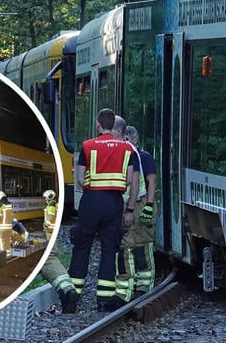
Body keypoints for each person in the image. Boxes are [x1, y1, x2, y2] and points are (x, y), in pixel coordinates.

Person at [69, 108, 138, 312]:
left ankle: (74, 296)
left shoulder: (87, 146)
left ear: (98, 125)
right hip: (113, 203)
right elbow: (129, 179)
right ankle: (104, 301)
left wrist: (93, 185)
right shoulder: (127, 149)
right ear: (113, 125)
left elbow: (80, 179)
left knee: (82, 247)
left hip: (91, 202)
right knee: (109, 250)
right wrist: (129, 207)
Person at [115, 125, 158, 302]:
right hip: (129, 205)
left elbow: (152, 180)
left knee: (142, 246)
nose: (124, 141)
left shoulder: (144, 157)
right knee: (126, 246)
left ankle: (144, 288)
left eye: (127, 137)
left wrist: (148, 204)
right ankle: (128, 289)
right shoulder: (125, 155)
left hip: (141, 204)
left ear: (135, 139)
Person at [39, 189, 79, 313]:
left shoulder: (51, 207)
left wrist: (46, 227)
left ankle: (67, 292)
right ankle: (68, 289)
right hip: (52, 236)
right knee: (50, 259)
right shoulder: (55, 205)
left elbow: (49, 223)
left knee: (46, 258)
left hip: (49, 235)